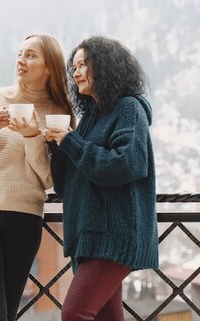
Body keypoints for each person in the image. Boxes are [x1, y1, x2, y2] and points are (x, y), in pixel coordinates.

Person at [0, 33, 73, 321]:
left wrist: (32, 135)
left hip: (25, 218)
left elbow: (49, 179)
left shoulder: (59, 114)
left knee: (7, 311)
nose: (21, 60)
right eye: (20, 53)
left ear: (49, 67)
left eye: (31, 55)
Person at [44, 35, 159, 321]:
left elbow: (125, 164)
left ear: (106, 67)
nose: (76, 72)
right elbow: (68, 183)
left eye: (83, 64)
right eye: (74, 67)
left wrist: (71, 142)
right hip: (92, 236)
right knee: (107, 317)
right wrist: (57, 146)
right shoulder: (91, 117)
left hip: (115, 233)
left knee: (75, 313)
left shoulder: (129, 109)